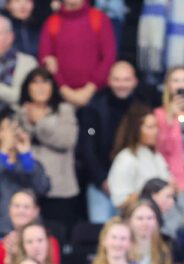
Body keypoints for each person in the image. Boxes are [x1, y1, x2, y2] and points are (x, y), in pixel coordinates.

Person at [0, 107, 50, 264]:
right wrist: (2, 154)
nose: (10, 135)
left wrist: (27, 156)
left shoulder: (29, 162)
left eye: (14, 129)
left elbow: (42, 188)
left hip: (29, 237)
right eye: (5, 130)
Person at [79, 60, 143, 223]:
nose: (121, 84)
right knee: (102, 233)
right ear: (108, 80)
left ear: (135, 81)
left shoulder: (142, 107)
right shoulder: (94, 108)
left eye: (126, 79)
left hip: (133, 187)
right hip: (101, 185)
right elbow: (88, 147)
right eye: (117, 79)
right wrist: (102, 180)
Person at [17, 66, 79, 225]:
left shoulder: (64, 110)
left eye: (45, 82)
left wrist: (40, 122)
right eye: (35, 82)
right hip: (27, 188)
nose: (40, 87)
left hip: (59, 189)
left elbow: (67, 140)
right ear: (27, 87)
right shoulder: (18, 113)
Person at [38, 0, 117, 108]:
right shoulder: (52, 22)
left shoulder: (99, 18)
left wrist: (90, 89)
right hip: (61, 97)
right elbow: (46, 60)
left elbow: (109, 57)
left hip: (97, 97)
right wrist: (65, 90)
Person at [107, 104, 171, 210]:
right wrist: (148, 194)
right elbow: (119, 201)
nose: (156, 131)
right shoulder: (126, 158)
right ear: (136, 129)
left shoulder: (155, 155)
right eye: (150, 127)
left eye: (156, 126)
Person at [125, 199, 172, 264]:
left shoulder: (169, 245)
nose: (145, 223)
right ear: (129, 221)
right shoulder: (121, 247)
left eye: (150, 218)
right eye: (140, 218)